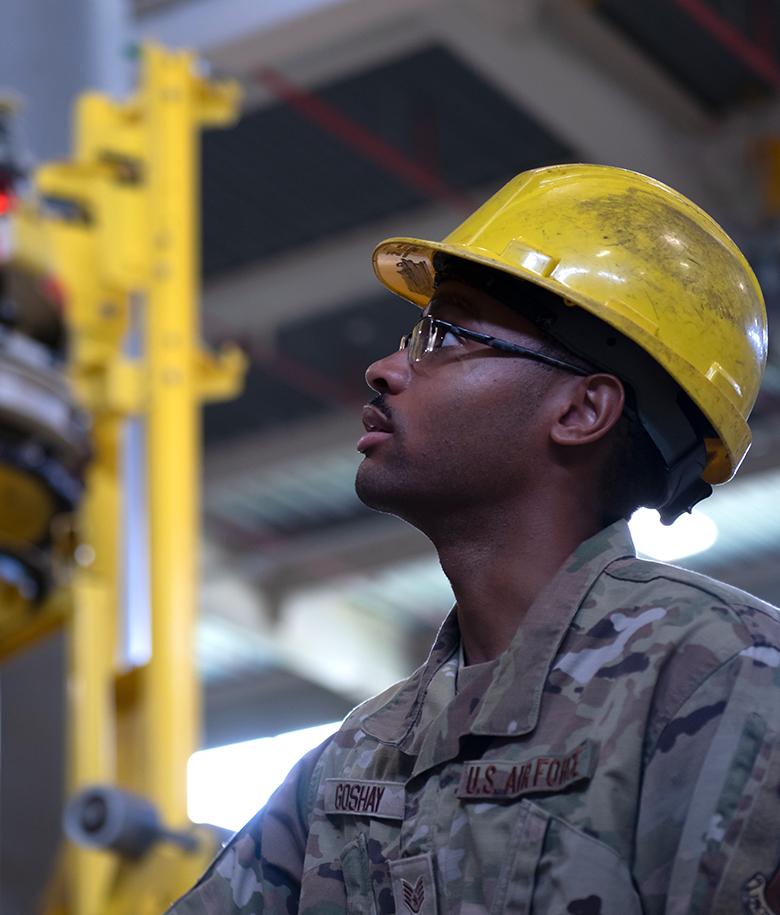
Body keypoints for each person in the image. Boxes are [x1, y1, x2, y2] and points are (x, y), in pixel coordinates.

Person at [168, 164, 780, 915]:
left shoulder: (719, 672)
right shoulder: (364, 753)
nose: (385, 368)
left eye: (445, 334)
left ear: (583, 409)